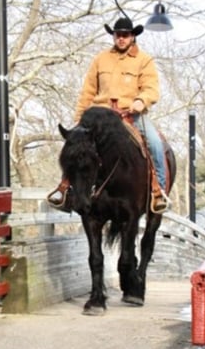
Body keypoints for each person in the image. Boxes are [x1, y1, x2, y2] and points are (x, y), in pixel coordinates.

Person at [48, 16, 170, 214]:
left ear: (133, 37)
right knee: (74, 145)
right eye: (117, 34)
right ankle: (65, 189)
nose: (121, 38)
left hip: (130, 115)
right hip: (99, 116)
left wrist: (140, 101)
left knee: (155, 144)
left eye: (125, 35)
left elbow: (151, 88)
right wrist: (80, 117)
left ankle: (158, 191)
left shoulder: (144, 60)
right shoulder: (101, 59)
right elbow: (88, 90)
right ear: (113, 36)